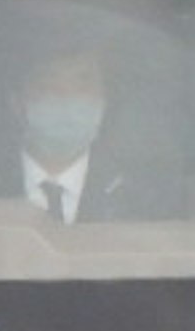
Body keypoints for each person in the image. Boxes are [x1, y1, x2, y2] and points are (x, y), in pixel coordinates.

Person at [9, 58, 131, 223]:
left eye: (82, 85)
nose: (66, 99)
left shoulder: (142, 194)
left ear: (105, 101)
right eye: (49, 85)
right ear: (17, 103)